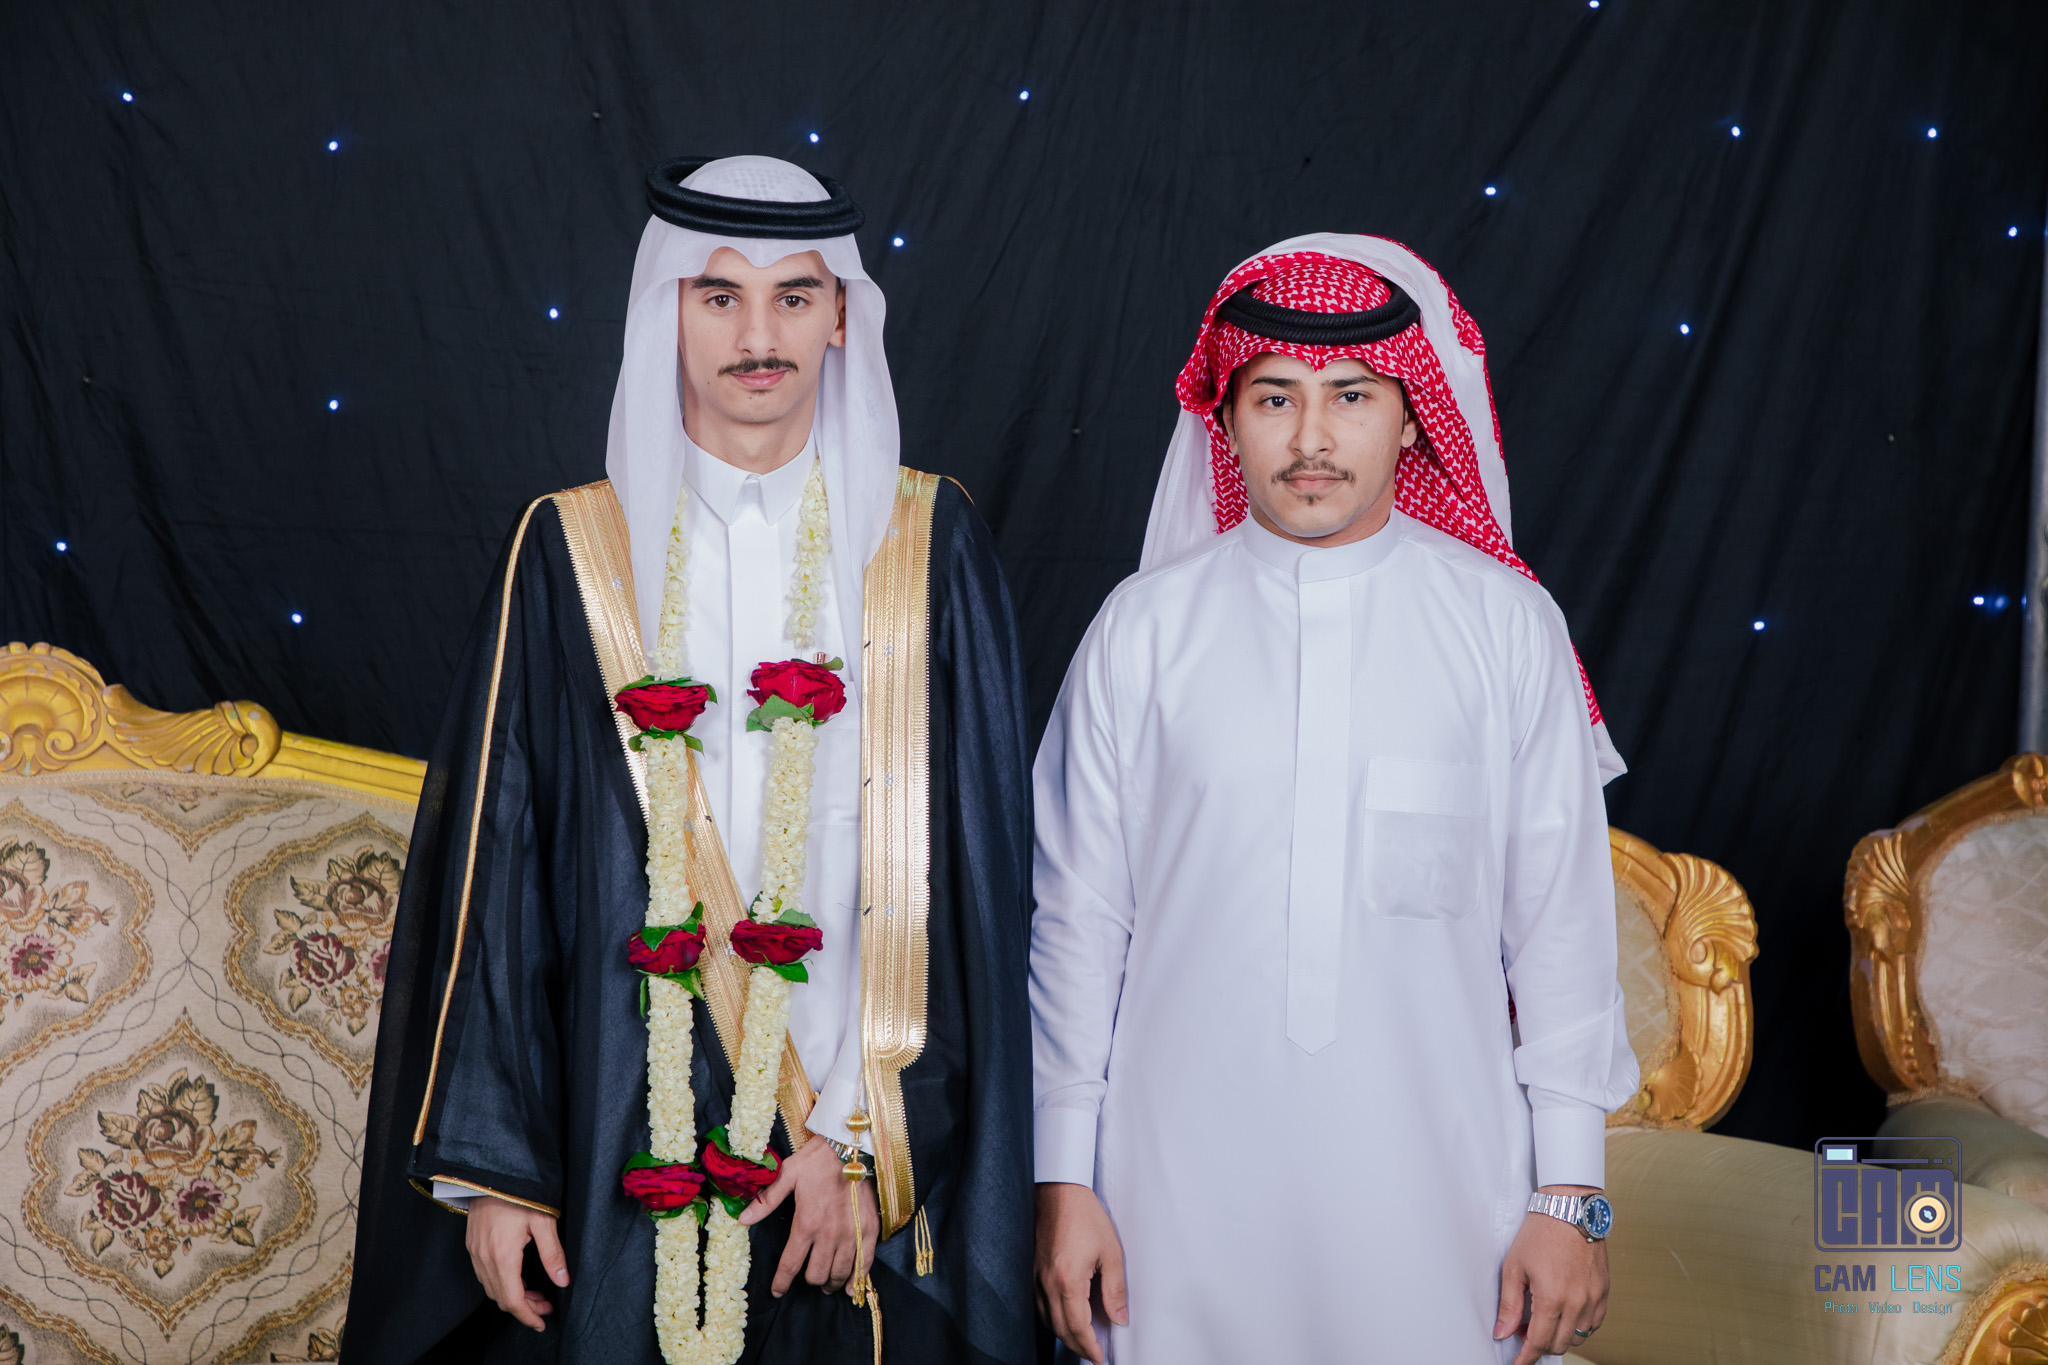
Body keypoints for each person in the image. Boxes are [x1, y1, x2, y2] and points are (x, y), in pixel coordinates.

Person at [343, 156, 1034, 1365]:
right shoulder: (572, 547)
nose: (757, 336)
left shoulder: (925, 544)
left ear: (839, 318)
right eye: (718, 297)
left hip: (856, 1140)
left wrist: (866, 1142)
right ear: (664, 312)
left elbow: (976, 880)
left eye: (792, 297)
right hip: (620, 1119)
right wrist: (500, 1171)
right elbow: (501, 869)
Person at [1028, 236, 1640, 1365]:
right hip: (1170, 1194)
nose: (1311, 438)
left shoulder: (1506, 628)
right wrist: (1064, 1178)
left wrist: (1570, 1196)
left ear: (1411, 420)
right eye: (1275, 397)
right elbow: (1075, 929)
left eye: (1350, 396)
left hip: (1443, 1197)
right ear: (1227, 421)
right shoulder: (1141, 632)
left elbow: (1559, 932)